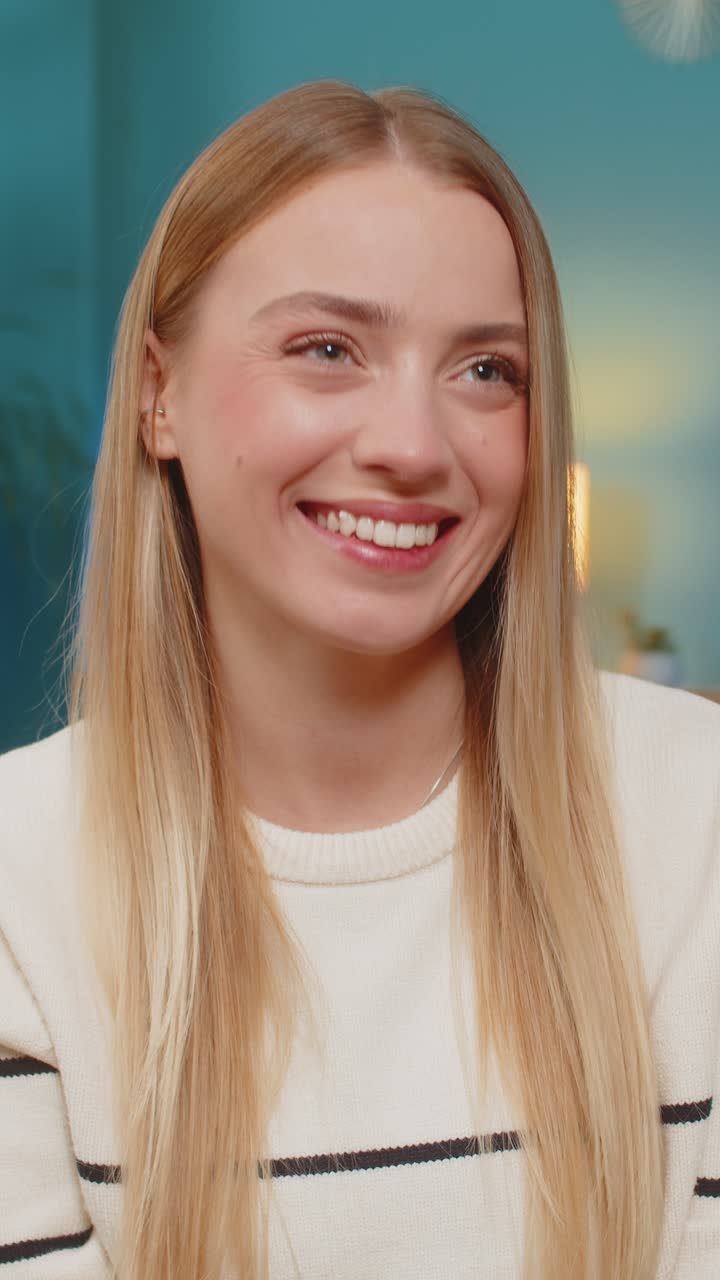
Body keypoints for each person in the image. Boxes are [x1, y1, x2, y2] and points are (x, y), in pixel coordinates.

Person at [0, 79, 718, 1280]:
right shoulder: (20, 889)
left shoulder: (699, 815)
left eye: (488, 371)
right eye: (327, 348)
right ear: (158, 393)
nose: (415, 444)